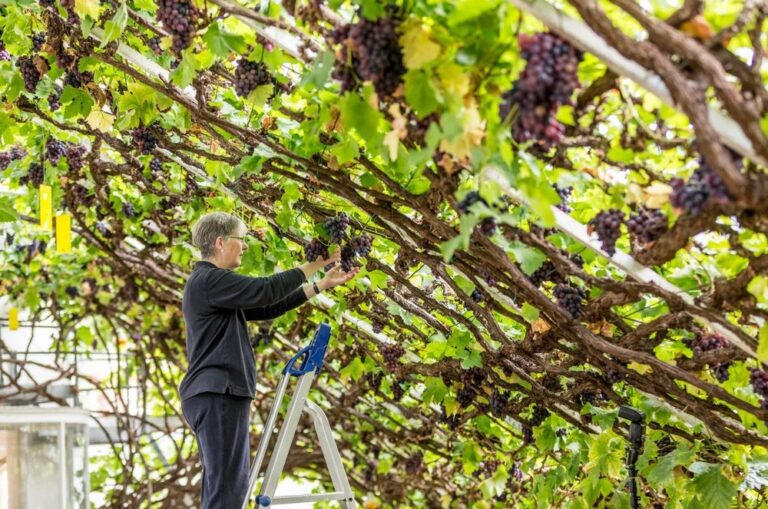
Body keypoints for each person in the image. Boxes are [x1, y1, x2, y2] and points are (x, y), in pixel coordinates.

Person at [179, 212, 359, 508]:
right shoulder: (210, 280)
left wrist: (319, 285)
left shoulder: (212, 286)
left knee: (225, 487)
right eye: (241, 239)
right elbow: (264, 290)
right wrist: (314, 263)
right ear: (222, 242)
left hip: (215, 392)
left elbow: (266, 307)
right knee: (227, 491)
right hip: (218, 391)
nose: (246, 246)